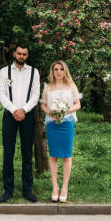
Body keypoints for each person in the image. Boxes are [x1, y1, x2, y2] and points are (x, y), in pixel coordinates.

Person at [0, 44, 40, 203]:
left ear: (27, 56)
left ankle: (27, 190)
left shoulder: (34, 72)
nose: (21, 56)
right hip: (10, 115)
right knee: (8, 154)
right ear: (14, 54)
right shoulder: (4, 72)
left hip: (27, 116)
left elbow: (36, 95)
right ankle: (8, 190)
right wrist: (14, 109)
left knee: (27, 154)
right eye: (19, 53)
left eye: (24, 54)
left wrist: (24, 110)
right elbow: (1, 93)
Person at [40, 60, 81, 203]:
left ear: (65, 71)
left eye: (61, 69)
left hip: (67, 124)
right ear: (52, 71)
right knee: (53, 157)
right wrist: (51, 113)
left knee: (66, 156)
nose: (58, 72)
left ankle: (64, 187)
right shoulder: (48, 87)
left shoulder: (71, 86)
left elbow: (78, 105)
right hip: (52, 125)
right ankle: (55, 187)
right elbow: (43, 105)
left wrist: (66, 111)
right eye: (56, 69)